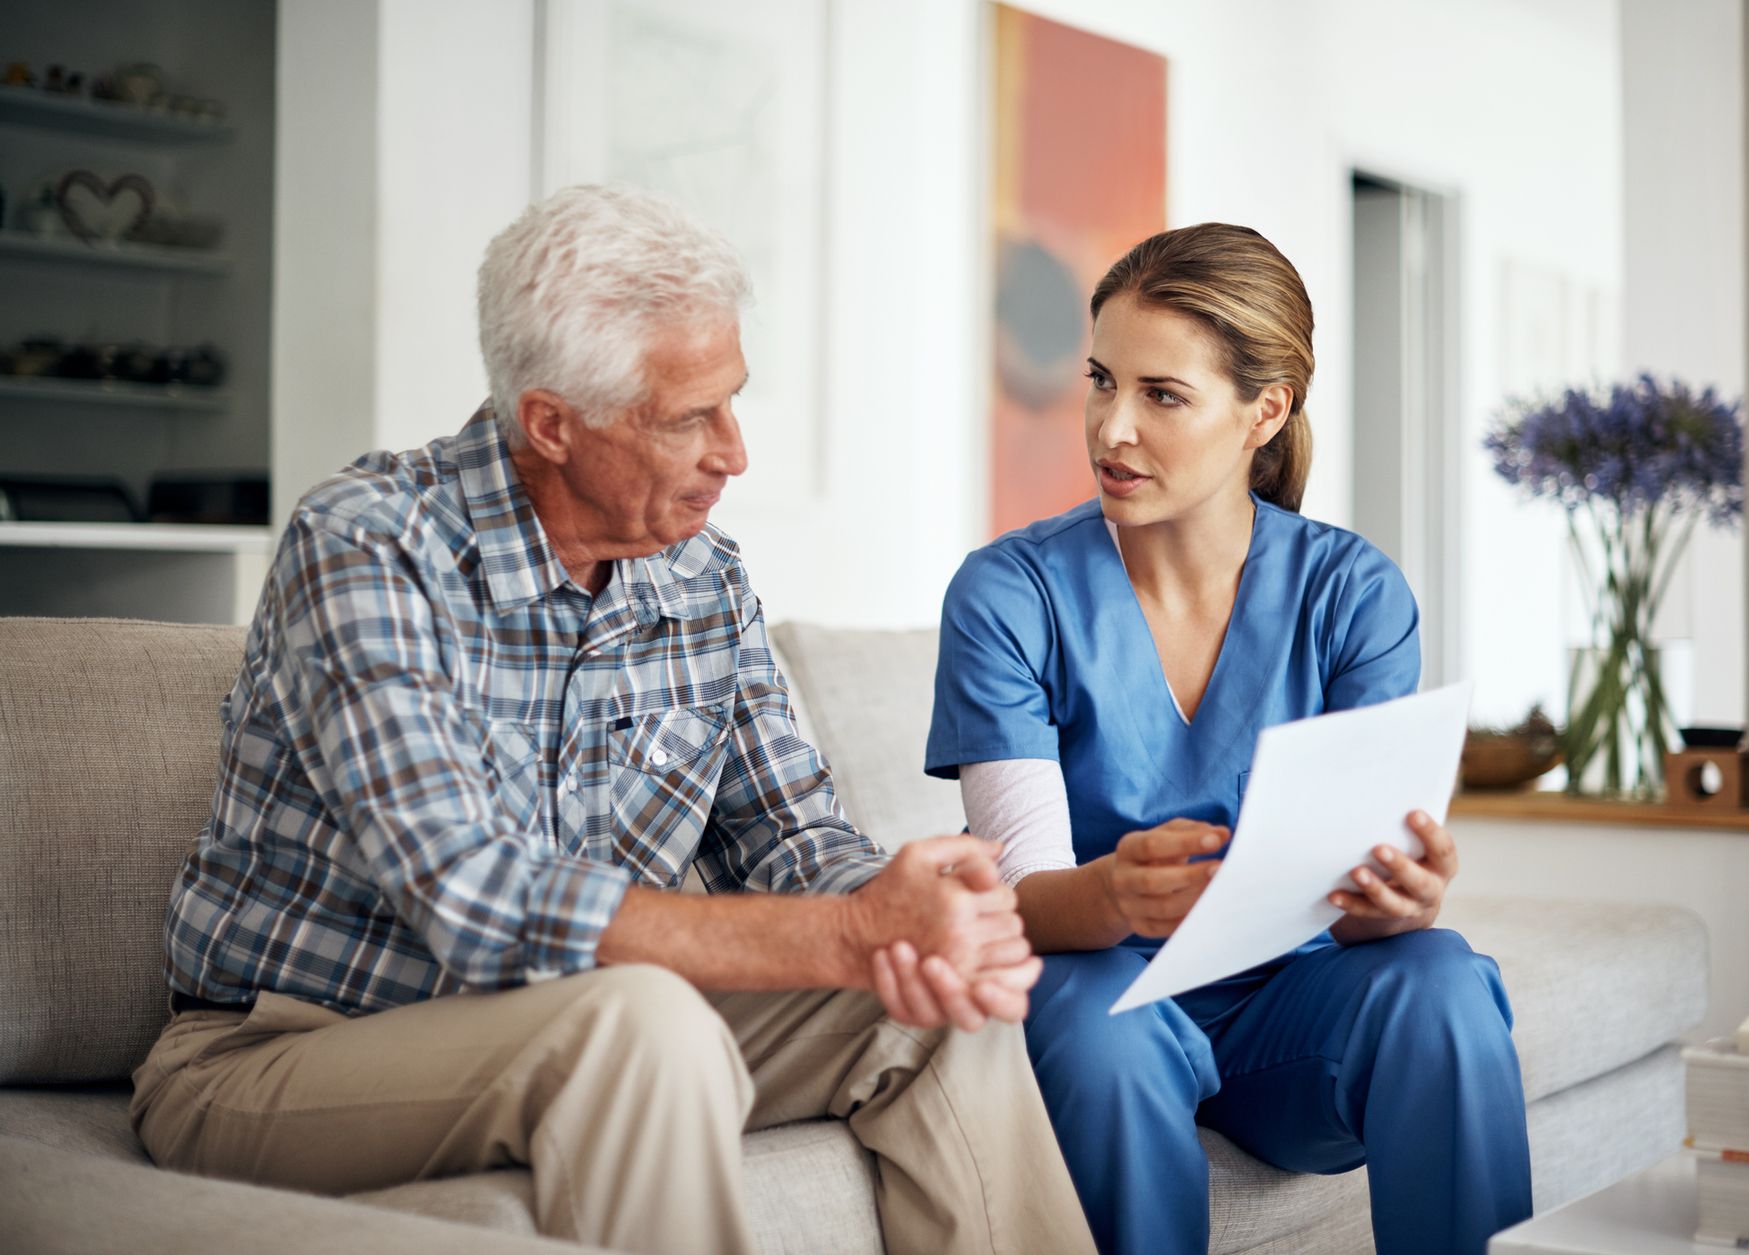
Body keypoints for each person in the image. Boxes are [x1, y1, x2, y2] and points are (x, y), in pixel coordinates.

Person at [131, 185, 1095, 1255]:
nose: (734, 453)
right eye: (689, 418)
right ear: (552, 423)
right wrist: (844, 934)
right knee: (643, 1018)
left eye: (734, 402)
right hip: (289, 1052)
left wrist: (905, 912)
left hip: (587, 1015)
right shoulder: (367, 546)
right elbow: (466, 891)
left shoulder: (703, 576)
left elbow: (789, 837)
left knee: (935, 1007)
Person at [925, 222, 1533, 1255]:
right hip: (1099, 988)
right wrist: (1115, 892)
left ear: (1266, 411)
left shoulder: (1352, 595)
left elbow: (1353, 905)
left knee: (1441, 978)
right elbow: (1025, 894)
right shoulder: (1009, 593)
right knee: (1105, 1022)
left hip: (1288, 1012)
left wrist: (1397, 903)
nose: (1113, 427)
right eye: (1102, 380)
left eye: (1162, 395)